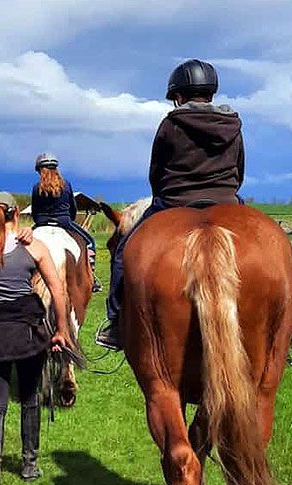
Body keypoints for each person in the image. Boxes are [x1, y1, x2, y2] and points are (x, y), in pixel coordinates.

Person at [97, 59, 245, 350]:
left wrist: (163, 195)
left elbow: (156, 173)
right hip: (227, 199)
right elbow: (239, 171)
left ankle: (115, 322)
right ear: (211, 93)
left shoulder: (170, 124)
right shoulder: (233, 125)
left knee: (123, 252)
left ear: (178, 95)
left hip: (176, 201)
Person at [0, 192, 70, 485]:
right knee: (29, 398)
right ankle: (29, 464)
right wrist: (62, 331)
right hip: (27, 331)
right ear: (18, 213)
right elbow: (56, 288)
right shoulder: (34, 247)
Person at [29, 152, 102, 292]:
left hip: (41, 223)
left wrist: (39, 221)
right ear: (56, 168)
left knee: (20, 244)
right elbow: (72, 209)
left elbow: (35, 211)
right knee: (90, 242)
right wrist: (69, 219)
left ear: (39, 170)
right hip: (64, 222)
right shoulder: (66, 184)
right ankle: (91, 277)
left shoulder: (36, 187)